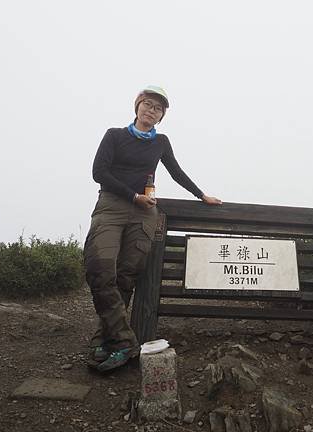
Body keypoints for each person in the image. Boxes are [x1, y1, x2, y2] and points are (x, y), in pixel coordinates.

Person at [84, 85, 221, 372]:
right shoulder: (115, 135)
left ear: (161, 117)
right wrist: (132, 195)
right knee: (100, 268)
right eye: (147, 104)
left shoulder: (161, 142)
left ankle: (103, 339)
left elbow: (176, 171)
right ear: (137, 106)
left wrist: (201, 195)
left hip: (144, 213)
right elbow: (100, 172)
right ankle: (124, 341)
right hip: (111, 205)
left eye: (158, 108)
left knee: (126, 276)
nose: (151, 110)